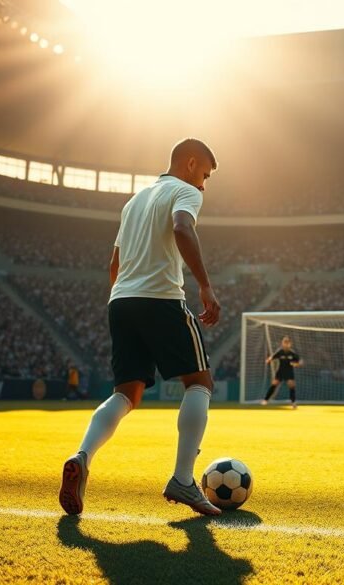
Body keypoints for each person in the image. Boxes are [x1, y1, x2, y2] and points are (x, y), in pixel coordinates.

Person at [60, 138, 223, 517]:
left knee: (127, 394)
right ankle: (183, 480)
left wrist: (122, 300)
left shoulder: (134, 201)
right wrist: (204, 285)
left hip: (121, 302)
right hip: (161, 298)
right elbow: (183, 229)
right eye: (205, 174)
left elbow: (114, 263)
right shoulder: (185, 192)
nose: (204, 184)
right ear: (191, 163)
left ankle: (82, 456)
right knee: (200, 383)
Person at [261, 336, 302, 409]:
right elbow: (272, 357)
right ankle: (265, 400)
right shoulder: (280, 352)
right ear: (282, 343)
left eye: (287, 343)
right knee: (274, 384)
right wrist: (269, 360)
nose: (286, 344)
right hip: (280, 371)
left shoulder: (292, 353)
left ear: (290, 344)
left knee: (291, 386)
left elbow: (300, 362)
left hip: (289, 372)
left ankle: (293, 402)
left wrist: (296, 364)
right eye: (284, 342)